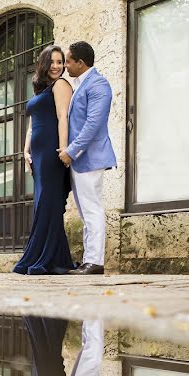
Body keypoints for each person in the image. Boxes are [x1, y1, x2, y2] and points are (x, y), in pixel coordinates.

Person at [13, 46, 77, 275]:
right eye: (53, 61)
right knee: (43, 203)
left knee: (47, 204)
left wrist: (63, 148)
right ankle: (57, 259)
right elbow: (32, 124)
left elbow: (63, 117)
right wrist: (25, 151)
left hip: (52, 150)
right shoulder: (41, 90)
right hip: (37, 154)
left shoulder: (61, 85)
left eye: (61, 62)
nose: (57, 66)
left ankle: (44, 258)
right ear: (44, 63)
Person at [59, 42, 117, 276]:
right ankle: (88, 260)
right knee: (86, 211)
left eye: (68, 61)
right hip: (81, 160)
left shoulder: (98, 84)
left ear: (80, 63)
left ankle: (94, 262)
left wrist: (71, 151)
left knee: (92, 209)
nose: (65, 66)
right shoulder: (80, 84)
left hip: (90, 158)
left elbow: (93, 125)